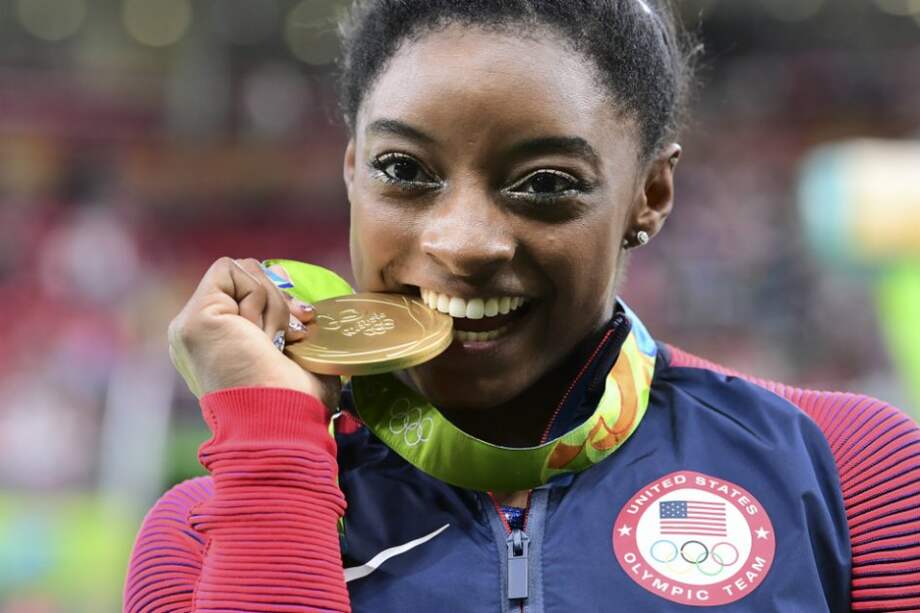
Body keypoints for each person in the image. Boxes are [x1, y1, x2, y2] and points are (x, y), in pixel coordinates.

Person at [123, 1, 920, 611]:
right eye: (403, 168)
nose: (464, 242)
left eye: (545, 183)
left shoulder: (850, 468)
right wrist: (273, 449)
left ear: (651, 193)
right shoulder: (205, 531)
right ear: (351, 170)